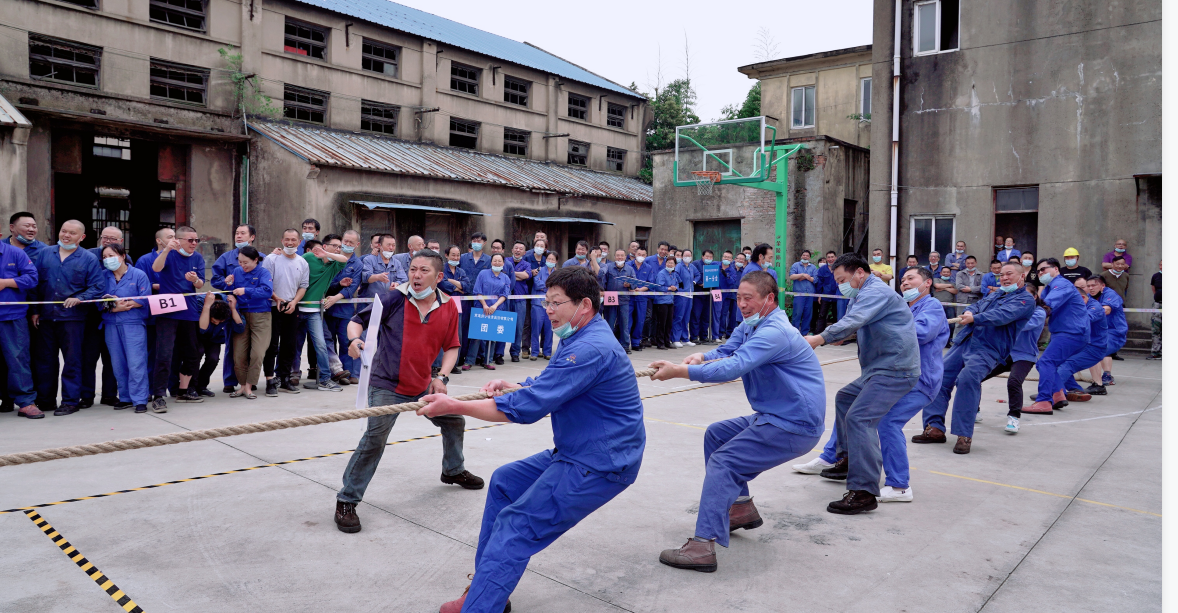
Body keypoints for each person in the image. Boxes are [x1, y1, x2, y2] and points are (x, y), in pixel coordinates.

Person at [419, 266, 644, 613]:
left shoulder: (589, 348)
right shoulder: (579, 337)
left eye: (556, 303)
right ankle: (488, 587)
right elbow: (550, 384)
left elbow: (525, 409)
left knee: (516, 528)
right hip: (580, 451)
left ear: (584, 305)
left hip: (599, 463)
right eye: (546, 302)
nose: (548, 310)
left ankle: (481, 606)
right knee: (506, 482)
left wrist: (456, 405)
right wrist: (516, 384)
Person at [653, 270, 824, 571]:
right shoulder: (751, 326)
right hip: (776, 415)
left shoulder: (774, 333)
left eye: (749, 299)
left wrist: (680, 372)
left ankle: (702, 546)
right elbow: (728, 351)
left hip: (795, 423)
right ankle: (740, 509)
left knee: (724, 462)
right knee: (717, 435)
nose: (742, 305)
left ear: (769, 299)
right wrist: (702, 358)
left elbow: (734, 367)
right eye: (739, 298)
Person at [336, 249, 484, 537]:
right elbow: (357, 321)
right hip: (386, 384)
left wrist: (441, 377)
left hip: (423, 384)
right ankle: (346, 500)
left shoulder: (449, 307)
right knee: (375, 439)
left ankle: (452, 470)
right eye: (413, 269)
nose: (415, 275)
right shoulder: (394, 298)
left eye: (423, 270)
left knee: (454, 420)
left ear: (439, 277)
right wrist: (355, 340)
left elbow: (452, 346)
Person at [795, 267, 948, 503]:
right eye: (903, 279)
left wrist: (875, 323)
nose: (905, 283)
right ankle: (839, 457)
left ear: (927, 283)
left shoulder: (932, 307)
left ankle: (899, 486)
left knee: (883, 420)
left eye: (911, 278)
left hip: (916, 379)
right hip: (883, 371)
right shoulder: (897, 305)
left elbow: (917, 333)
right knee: (847, 399)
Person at [913, 261, 1035, 452]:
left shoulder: (1026, 300)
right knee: (938, 377)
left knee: (967, 380)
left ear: (1022, 276)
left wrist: (975, 318)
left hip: (988, 348)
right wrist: (971, 311)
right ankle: (934, 428)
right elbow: (978, 305)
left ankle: (964, 435)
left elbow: (1002, 315)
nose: (1004, 278)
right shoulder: (996, 293)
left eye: (1009, 274)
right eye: (1001, 275)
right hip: (965, 341)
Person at [32, 220, 106, 416]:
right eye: (64, 231)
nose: (66, 235)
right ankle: (45, 400)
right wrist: (35, 310)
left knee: (72, 361)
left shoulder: (88, 259)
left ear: (81, 237)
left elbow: (98, 286)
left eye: (72, 233)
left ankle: (70, 401)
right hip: (46, 318)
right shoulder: (45, 254)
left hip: (73, 319)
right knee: (45, 361)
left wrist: (80, 298)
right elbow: (35, 284)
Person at [149, 225, 207, 411]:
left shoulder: (197, 258)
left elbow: (200, 284)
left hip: (189, 310)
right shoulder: (169, 254)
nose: (194, 243)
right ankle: (158, 395)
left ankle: (183, 390)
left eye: (196, 240)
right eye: (190, 240)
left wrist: (194, 280)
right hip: (168, 311)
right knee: (164, 354)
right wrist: (166, 249)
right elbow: (156, 267)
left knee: (193, 352)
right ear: (179, 240)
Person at [1027, 258, 1089, 414]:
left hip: (1071, 332)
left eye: (1044, 269)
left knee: (1046, 362)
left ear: (1055, 268)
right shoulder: (1050, 287)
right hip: (1064, 332)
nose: (1041, 273)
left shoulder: (1061, 285)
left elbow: (1046, 306)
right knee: (1044, 364)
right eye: (1038, 271)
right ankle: (1058, 395)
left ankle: (1043, 401)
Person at [977, 295, 1047, 434]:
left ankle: (1014, 417)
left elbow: (1022, 326)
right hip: (1004, 353)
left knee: (1014, 382)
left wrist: (1002, 318)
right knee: (975, 376)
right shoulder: (1010, 309)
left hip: (1025, 355)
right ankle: (974, 410)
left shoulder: (1039, 312)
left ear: (1033, 297)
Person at [98, 243, 151, 413]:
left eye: (111, 255)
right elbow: (97, 302)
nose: (108, 260)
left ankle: (140, 399)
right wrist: (113, 307)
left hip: (133, 324)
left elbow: (145, 299)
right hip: (111, 324)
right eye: (105, 257)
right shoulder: (103, 276)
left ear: (122, 256)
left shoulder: (138, 275)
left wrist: (124, 304)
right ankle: (126, 397)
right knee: (118, 363)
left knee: (136, 363)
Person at [83, 226, 131, 407]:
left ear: (120, 243)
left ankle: (109, 394)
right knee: (88, 358)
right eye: (105, 238)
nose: (108, 242)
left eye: (113, 239)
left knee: (112, 358)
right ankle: (86, 396)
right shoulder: (88, 255)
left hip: (113, 318)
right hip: (91, 317)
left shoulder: (126, 258)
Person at [262, 229, 309, 397]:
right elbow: (266, 283)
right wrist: (277, 298)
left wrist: (294, 302)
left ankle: (285, 379)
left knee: (289, 345)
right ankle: (270, 380)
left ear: (298, 241)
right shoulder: (271, 260)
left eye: (293, 240)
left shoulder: (302, 262)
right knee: (272, 345)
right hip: (274, 306)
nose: (290, 243)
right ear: (282, 240)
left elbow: (303, 286)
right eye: (287, 239)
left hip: (292, 306)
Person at [300, 237, 350, 391]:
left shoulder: (334, 265)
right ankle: (287, 377)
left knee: (321, 345)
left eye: (339, 246)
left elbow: (343, 259)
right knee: (292, 345)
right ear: (324, 245)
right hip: (296, 307)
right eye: (334, 246)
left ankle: (325, 379)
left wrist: (326, 254)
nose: (337, 249)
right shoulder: (308, 257)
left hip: (314, 311)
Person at [211, 224, 256, 393]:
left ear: (251, 237)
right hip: (233, 307)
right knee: (233, 343)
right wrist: (225, 282)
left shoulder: (261, 258)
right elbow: (215, 280)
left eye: (243, 233)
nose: (238, 236)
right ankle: (229, 381)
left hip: (253, 306)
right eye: (237, 233)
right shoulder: (226, 258)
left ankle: (250, 381)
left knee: (253, 345)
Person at [0, 236, 40, 418]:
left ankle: (25, 402)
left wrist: (6, 283)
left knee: (17, 358)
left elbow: (32, 278)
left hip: (11, 316)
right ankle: (5, 399)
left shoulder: (16, 253)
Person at [1046, 277, 1104, 404]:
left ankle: (1050, 393)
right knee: (1052, 362)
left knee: (1065, 366)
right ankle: (1075, 389)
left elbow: (1082, 320)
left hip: (1093, 348)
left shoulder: (1095, 308)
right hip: (1079, 345)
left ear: (1082, 299)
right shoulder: (1078, 307)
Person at [226, 246, 273, 400]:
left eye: (246, 262)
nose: (242, 265)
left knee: (257, 353)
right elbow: (231, 290)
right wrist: (228, 284)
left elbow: (267, 291)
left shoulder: (263, 273)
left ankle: (249, 385)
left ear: (255, 260)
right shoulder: (237, 272)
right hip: (241, 316)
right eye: (240, 262)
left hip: (261, 315)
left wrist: (246, 290)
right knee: (238, 354)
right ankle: (242, 385)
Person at [321, 231, 365, 384]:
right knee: (328, 342)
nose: (347, 244)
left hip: (345, 311)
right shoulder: (331, 259)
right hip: (328, 309)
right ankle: (331, 373)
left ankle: (348, 374)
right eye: (345, 241)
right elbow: (325, 283)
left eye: (351, 242)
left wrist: (336, 298)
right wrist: (335, 290)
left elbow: (352, 287)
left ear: (357, 245)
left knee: (346, 341)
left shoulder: (357, 264)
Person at [462, 253, 510, 371]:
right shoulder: (483, 274)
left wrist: (494, 305)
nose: (497, 263)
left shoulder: (505, 278)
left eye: (499, 261)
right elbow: (477, 291)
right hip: (481, 308)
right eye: (495, 261)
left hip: (497, 309)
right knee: (477, 335)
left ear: (503, 263)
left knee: (492, 336)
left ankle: (488, 360)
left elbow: (505, 295)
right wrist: (484, 305)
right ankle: (469, 361)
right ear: (491, 262)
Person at [193, 293, 244, 398]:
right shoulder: (200, 301)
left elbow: (240, 328)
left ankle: (202, 386)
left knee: (213, 358)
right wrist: (206, 308)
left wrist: (233, 309)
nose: (217, 323)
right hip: (197, 335)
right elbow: (202, 330)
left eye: (221, 322)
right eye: (214, 321)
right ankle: (190, 387)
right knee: (196, 355)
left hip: (214, 337)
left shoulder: (230, 305)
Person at [1088, 275, 1128, 391]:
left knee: (1096, 350)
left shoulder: (1110, 295)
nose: (1091, 288)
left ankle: (1100, 382)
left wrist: (1085, 316)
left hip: (1115, 332)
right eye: (1088, 286)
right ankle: (1104, 377)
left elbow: (1106, 309)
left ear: (1102, 286)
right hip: (1099, 331)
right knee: (1097, 350)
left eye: (1094, 285)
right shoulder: (1088, 297)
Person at [459, 233, 493, 365]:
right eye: (474, 241)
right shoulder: (463, 258)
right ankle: (462, 356)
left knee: (479, 328)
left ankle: (480, 356)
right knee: (464, 326)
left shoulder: (489, 260)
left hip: (481, 298)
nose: (476, 243)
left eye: (479, 241)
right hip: (465, 297)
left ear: (484, 243)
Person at [439, 245, 470, 374]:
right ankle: (439, 364)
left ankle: (453, 364)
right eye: (453, 255)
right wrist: (458, 286)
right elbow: (442, 284)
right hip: (443, 304)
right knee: (442, 334)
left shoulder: (461, 271)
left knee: (457, 335)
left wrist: (452, 282)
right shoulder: (441, 269)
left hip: (458, 306)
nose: (456, 257)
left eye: (458, 255)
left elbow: (467, 287)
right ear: (446, 255)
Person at [499, 241, 532, 363]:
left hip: (520, 299)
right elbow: (501, 274)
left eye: (521, 249)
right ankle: (499, 353)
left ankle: (515, 353)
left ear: (524, 252)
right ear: (512, 250)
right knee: (503, 325)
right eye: (516, 248)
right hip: (504, 298)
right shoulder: (505, 261)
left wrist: (510, 274)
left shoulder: (527, 264)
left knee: (518, 328)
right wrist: (517, 276)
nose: (518, 250)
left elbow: (526, 276)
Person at [600, 249, 636, 352]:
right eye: (618, 256)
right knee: (610, 323)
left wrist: (629, 285)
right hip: (610, 299)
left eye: (622, 256)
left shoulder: (629, 269)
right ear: (614, 257)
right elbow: (604, 282)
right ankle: (609, 346)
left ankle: (625, 346)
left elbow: (634, 283)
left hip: (624, 300)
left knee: (624, 323)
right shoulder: (608, 268)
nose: (620, 258)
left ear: (625, 257)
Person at [360, 234, 407, 299]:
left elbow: (404, 280)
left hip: (391, 301)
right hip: (372, 302)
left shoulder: (397, 263)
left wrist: (397, 284)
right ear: (380, 246)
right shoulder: (369, 260)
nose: (391, 248)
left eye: (393, 245)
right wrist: (377, 277)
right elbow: (365, 277)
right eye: (388, 245)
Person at [530, 251, 557, 359]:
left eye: (553, 259)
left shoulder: (557, 273)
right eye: (549, 259)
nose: (550, 261)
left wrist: (544, 285)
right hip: (538, 303)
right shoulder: (539, 270)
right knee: (536, 328)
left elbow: (557, 287)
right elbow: (537, 284)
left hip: (552, 304)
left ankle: (547, 352)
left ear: (556, 261)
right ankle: (535, 352)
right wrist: (549, 286)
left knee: (549, 328)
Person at [630, 247, 656, 351]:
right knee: (627, 321)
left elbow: (650, 283)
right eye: (639, 254)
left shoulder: (648, 267)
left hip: (642, 297)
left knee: (640, 321)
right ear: (635, 254)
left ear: (646, 256)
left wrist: (641, 289)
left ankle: (636, 342)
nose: (641, 256)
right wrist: (630, 288)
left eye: (643, 255)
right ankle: (625, 343)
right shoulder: (628, 265)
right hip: (629, 297)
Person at [788, 250, 819, 335]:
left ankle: (804, 333)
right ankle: (794, 332)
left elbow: (815, 280)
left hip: (809, 294)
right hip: (799, 294)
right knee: (797, 313)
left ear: (809, 257)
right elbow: (792, 276)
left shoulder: (813, 267)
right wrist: (803, 275)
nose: (805, 257)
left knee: (808, 314)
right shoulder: (796, 265)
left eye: (807, 255)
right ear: (801, 256)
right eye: (803, 255)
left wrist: (805, 277)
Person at [689, 250, 716, 344]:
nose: (708, 258)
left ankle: (703, 336)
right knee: (696, 315)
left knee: (706, 316)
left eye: (710, 257)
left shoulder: (713, 266)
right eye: (707, 256)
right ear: (702, 256)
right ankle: (694, 337)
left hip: (708, 294)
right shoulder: (695, 264)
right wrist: (701, 283)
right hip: (698, 293)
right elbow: (694, 276)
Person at [653, 256, 680, 350]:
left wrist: (675, 288)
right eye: (668, 262)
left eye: (672, 263)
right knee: (662, 322)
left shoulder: (674, 274)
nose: (670, 264)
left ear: (675, 265)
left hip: (670, 300)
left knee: (669, 323)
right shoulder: (661, 273)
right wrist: (669, 288)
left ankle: (667, 341)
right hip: (661, 301)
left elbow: (677, 284)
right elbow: (659, 286)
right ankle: (660, 343)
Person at [674, 249, 697, 347]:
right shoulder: (679, 266)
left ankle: (685, 338)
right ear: (682, 256)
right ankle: (675, 339)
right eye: (685, 255)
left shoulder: (691, 267)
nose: (687, 257)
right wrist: (681, 285)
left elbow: (698, 274)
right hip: (681, 294)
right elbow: (675, 275)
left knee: (686, 317)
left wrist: (695, 281)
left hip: (690, 295)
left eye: (689, 255)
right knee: (679, 317)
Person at [933, 266, 958, 339]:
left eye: (948, 272)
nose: (946, 274)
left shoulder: (953, 283)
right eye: (944, 272)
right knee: (937, 324)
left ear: (950, 274)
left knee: (951, 324)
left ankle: (948, 340)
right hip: (938, 306)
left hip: (950, 306)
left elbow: (955, 291)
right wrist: (949, 287)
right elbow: (937, 285)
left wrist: (943, 288)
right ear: (940, 273)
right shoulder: (936, 279)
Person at [1149, 260, 1162, 360]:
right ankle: (1155, 352)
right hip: (1158, 304)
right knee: (1155, 328)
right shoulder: (1155, 276)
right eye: (1161, 264)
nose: (1162, 266)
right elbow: (1154, 289)